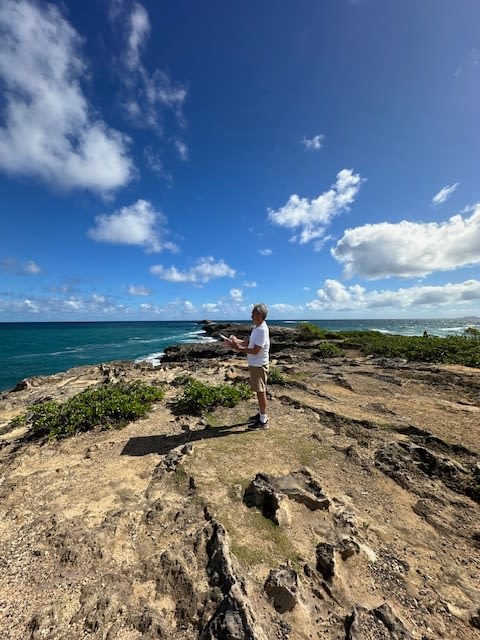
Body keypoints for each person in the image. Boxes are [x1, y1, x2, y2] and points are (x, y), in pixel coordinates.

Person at [225, 303, 270, 429]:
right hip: (256, 364)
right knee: (259, 390)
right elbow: (249, 343)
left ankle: (263, 421)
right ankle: (261, 414)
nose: (251, 316)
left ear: (259, 315)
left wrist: (238, 349)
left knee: (260, 391)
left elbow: (256, 350)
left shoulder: (261, 330)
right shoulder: (257, 327)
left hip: (259, 365)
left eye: (253, 314)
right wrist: (234, 341)